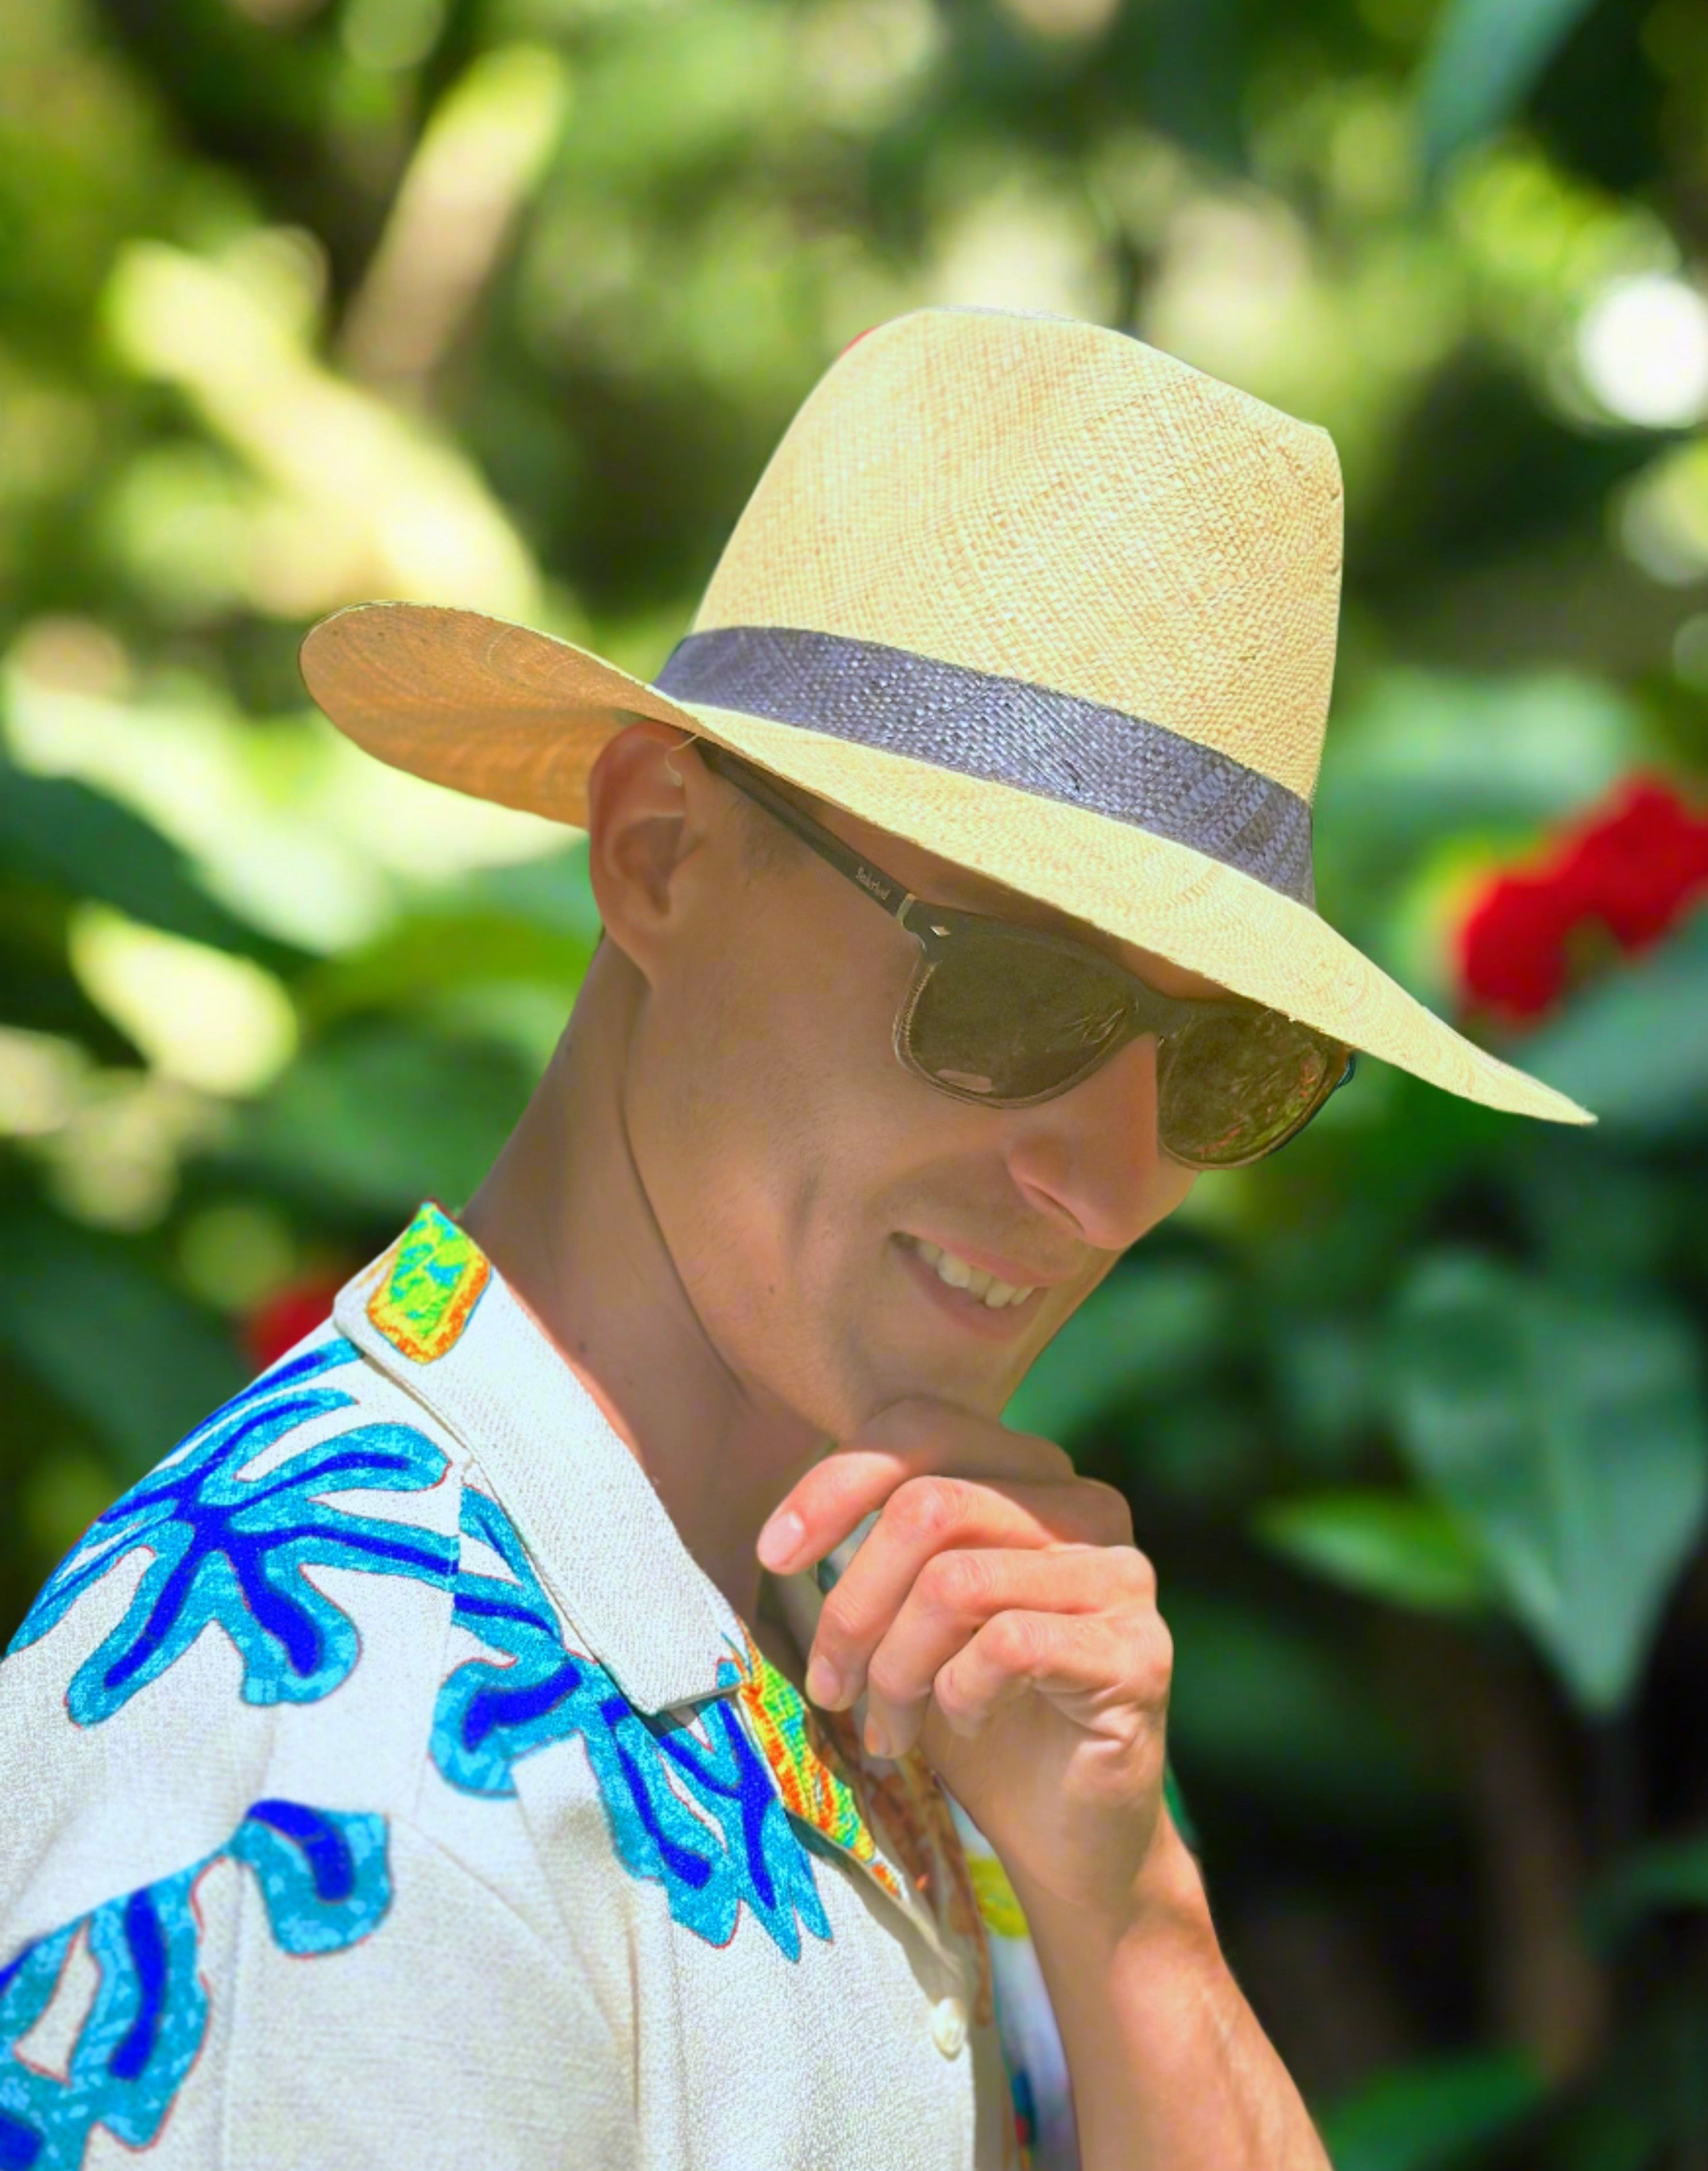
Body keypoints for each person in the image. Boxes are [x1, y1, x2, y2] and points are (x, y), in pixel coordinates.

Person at [0, 307, 1588, 2171]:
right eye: (1012, 993)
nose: (1108, 1182)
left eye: (1230, 1064)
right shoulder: (347, 1779)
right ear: (659, 852)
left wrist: (1132, 1908)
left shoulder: (922, 1663)